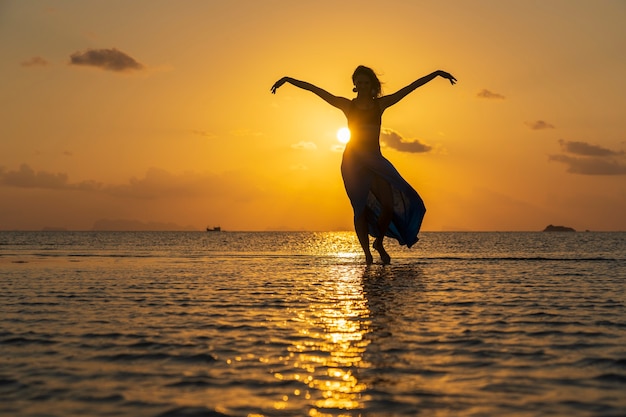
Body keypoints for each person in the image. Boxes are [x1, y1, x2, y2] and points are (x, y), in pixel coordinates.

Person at [271, 66, 456, 264]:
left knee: (388, 204)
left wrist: (436, 74)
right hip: (353, 162)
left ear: (372, 85)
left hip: (376, 159)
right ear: (355, 85)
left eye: (366, 83)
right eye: (359, 83)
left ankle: (379, 243)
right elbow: (317, 91)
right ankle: (367, 255)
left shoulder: (381, 105)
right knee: (359, 208)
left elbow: (410, 88)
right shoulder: (347, 106)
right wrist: (289, 80)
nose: (362, 86)